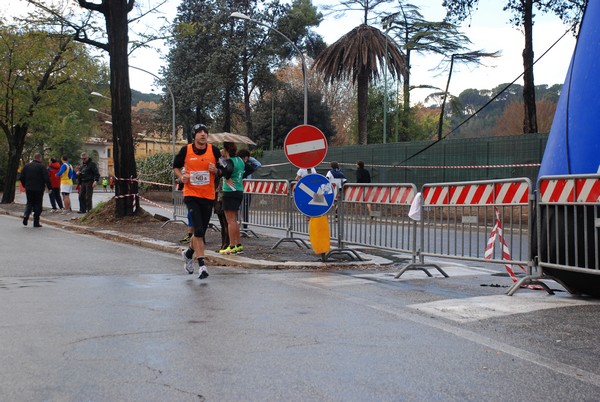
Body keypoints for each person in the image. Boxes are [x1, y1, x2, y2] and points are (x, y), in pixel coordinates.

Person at [172, 123, 221, 279]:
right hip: (191, 194)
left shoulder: (213, 150)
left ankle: (188, 253)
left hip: (208, 196)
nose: (203, 134)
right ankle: (202, 266)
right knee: (198, 231)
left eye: (205, 132)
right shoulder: (186, 150)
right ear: (194, 136)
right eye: (199, 132)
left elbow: (225, 168)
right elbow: (175, 166)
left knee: (201, 232)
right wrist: (181, 177)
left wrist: (217, 171)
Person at [219, 142, 253, 255]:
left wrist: (226, 177)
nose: (221, 150)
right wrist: (240, 176)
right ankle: (238, 245)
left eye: (222, 149)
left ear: (226, 150)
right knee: (235, 220)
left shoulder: (229, 161)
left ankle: (232, 245)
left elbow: (224, 170)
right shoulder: (239, 160)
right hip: (239, 190)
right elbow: (251, 168)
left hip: (229, 192)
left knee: (230, 220)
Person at [19, 153, 51, 228]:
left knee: (29, 202)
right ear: (40, 158)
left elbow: (21, 177)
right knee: (38, 204)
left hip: (29, 188)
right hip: (39, 188)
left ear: (34, 158)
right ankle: (36, 222)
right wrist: (49, 187)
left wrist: (25, 185)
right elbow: (46, 178)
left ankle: (26, 215)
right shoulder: (42, 167)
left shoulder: (26, 166)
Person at [237, 149, 261, 231]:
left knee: (246, 208)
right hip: (239, 188)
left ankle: (245, 227)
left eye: (247, 158)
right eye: (244, 158)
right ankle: (237, 225)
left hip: (247, 188)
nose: (246, 160)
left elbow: (258, 164)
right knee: (237, 208)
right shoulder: (238, 164)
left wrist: (249, 159)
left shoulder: (249, 165)